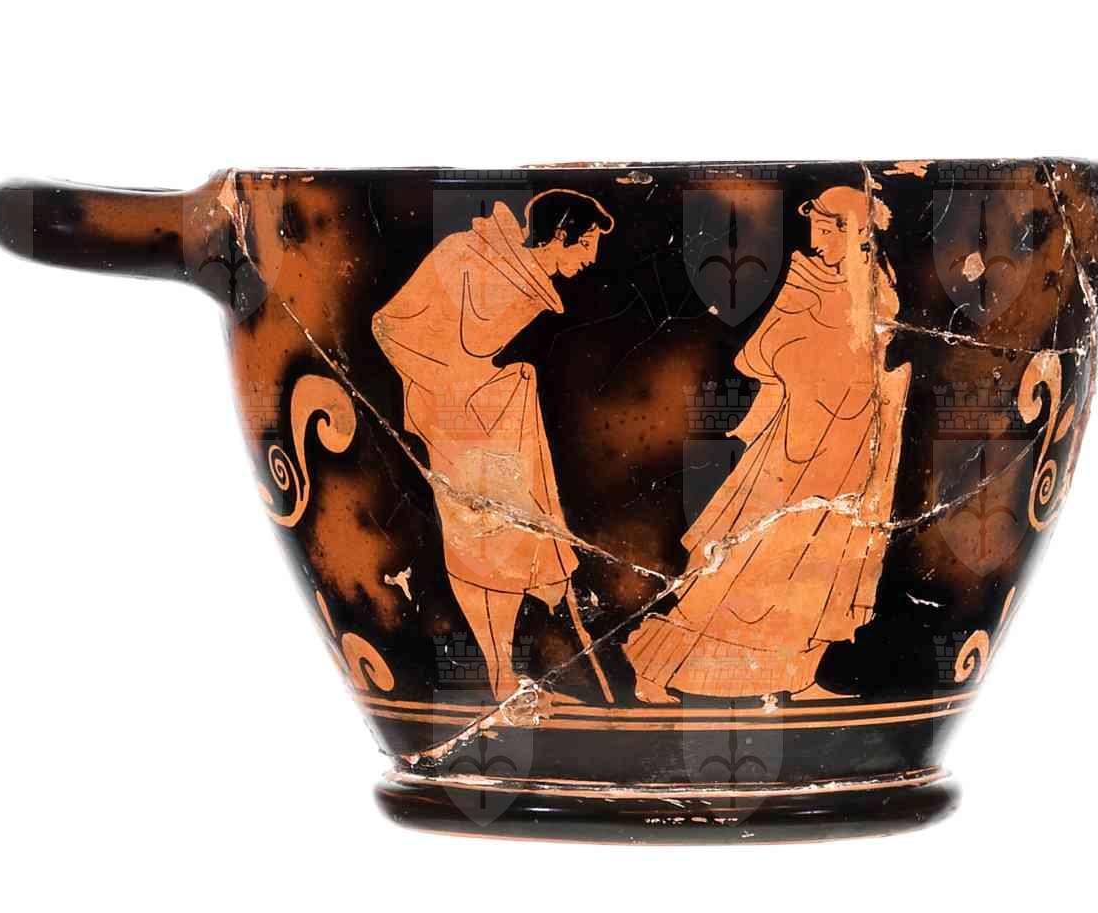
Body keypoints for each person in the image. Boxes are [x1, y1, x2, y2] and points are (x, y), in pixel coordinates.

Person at [624, 185, 911, 702]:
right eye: (815, 227)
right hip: (797, 441)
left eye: (826, 229)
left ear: (853, 231)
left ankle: (798, 676)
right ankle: (653, 671)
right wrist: (816, 358)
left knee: (827, 560)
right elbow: (760, 354)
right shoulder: (805, 281)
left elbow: (881, 345)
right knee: (746, 560)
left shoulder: (877, 283)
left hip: (852, 440)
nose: (815, 240)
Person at [371, 190, 614, 699]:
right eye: (587, 242)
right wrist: (445, 389)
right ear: (561, 233)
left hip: (496, 415)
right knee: (478, 543)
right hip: (457, 423)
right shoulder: (464, 253)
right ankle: (500, 672)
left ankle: (510, 673)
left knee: (514, 542)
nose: (592, 258)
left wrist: (482, 386)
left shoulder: (527, 280)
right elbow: (389, 325)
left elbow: (473, 354)